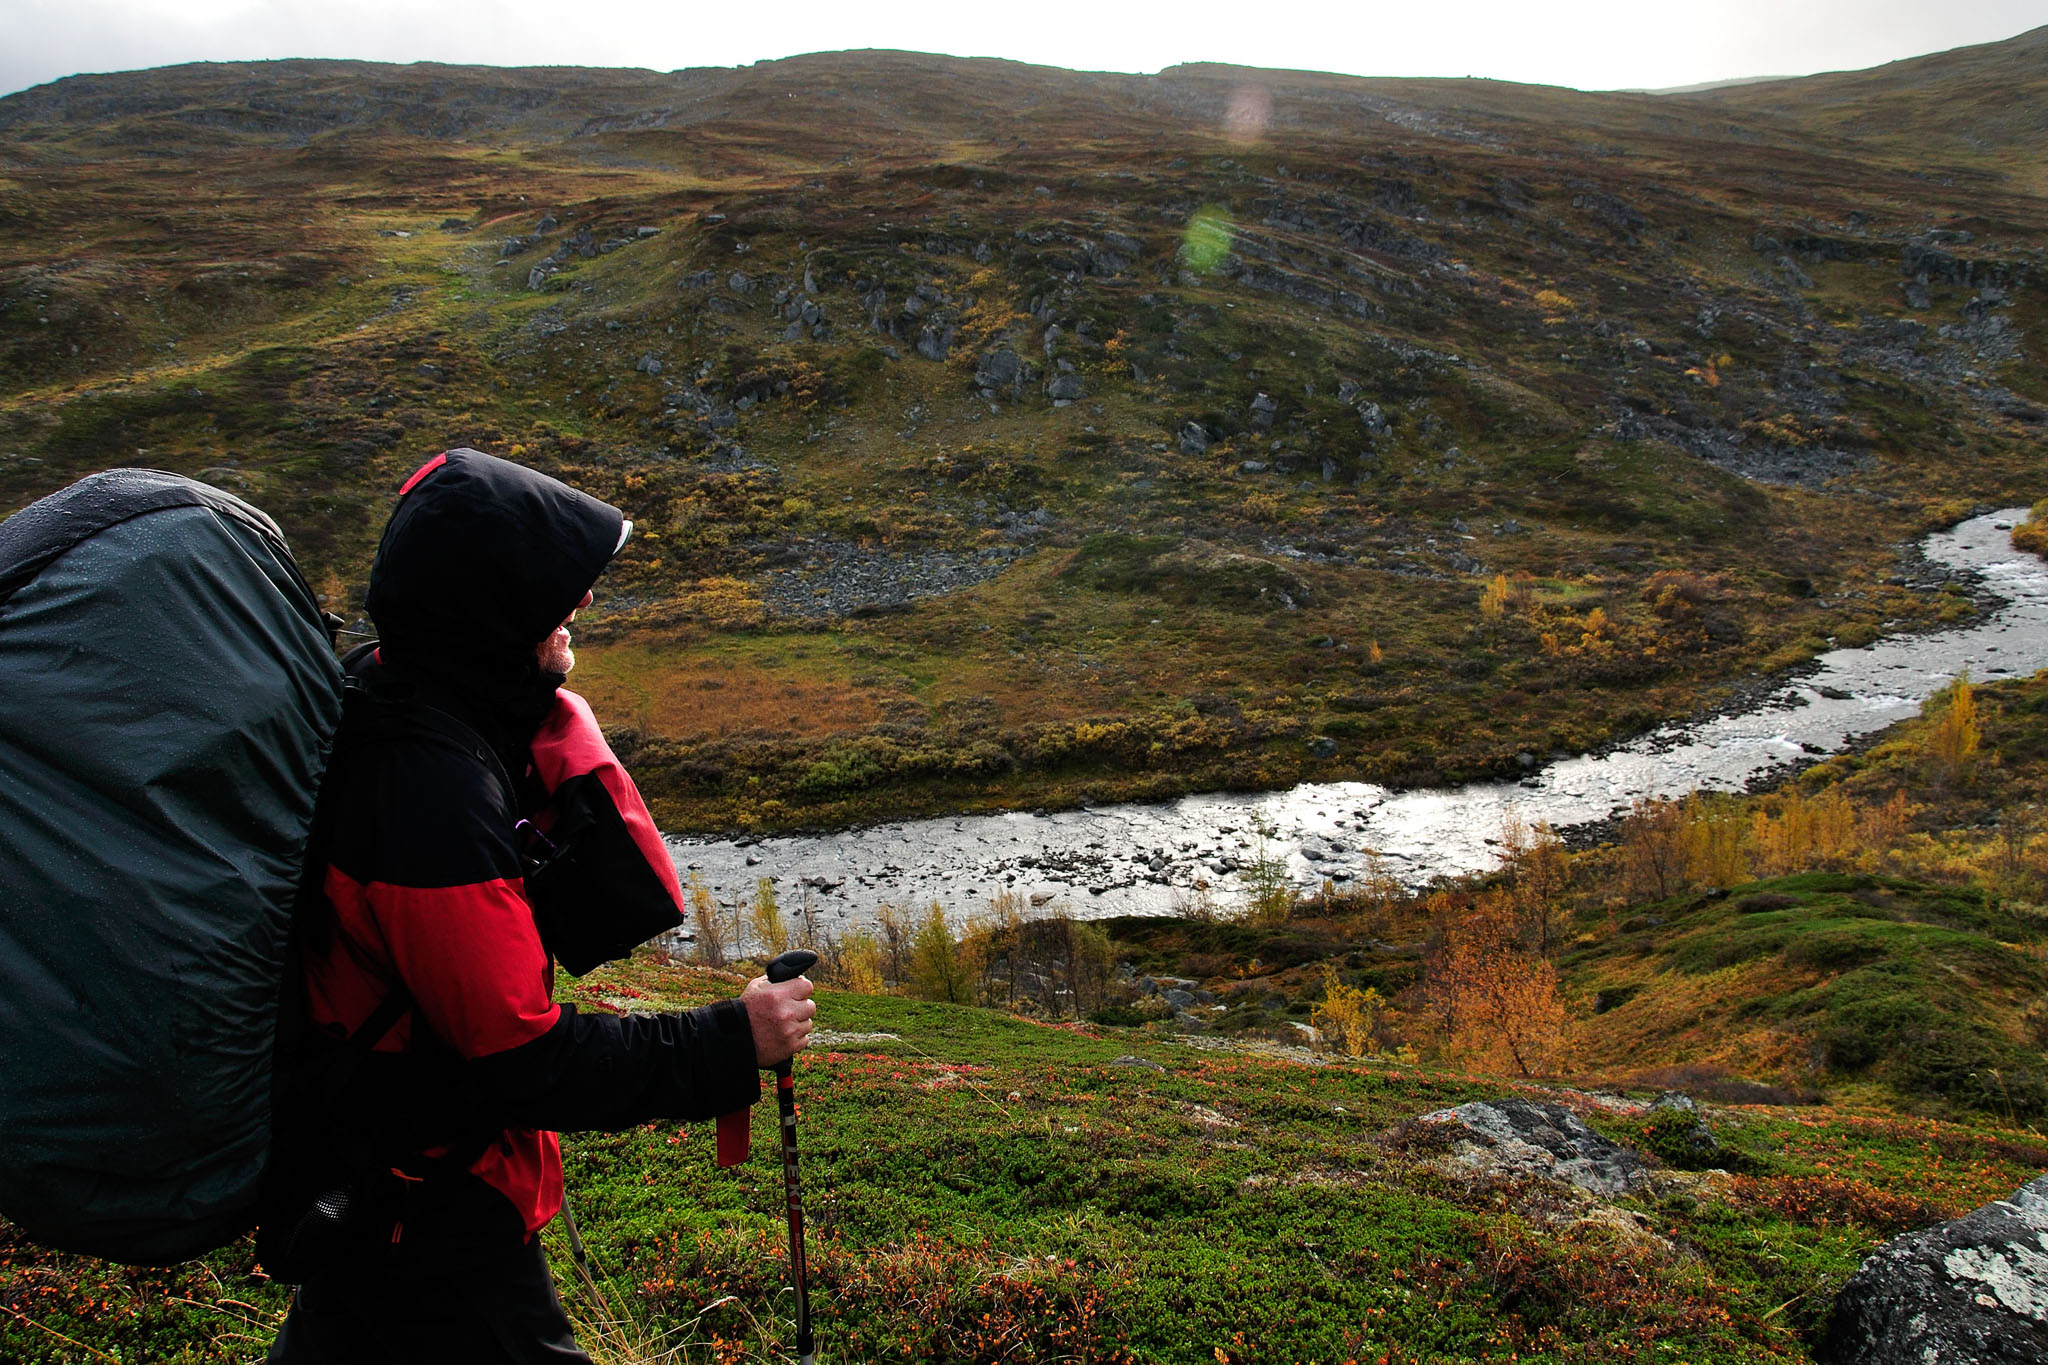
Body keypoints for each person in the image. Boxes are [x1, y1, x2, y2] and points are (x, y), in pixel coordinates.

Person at [263, 448, 814, 1363]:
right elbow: (524, 1061)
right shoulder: (428, 800)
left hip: (372, 1180)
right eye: (554, 579)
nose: (583, 600)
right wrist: (733, 1038)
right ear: (489, 609)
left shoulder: (394, 698)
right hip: (434, 1210)